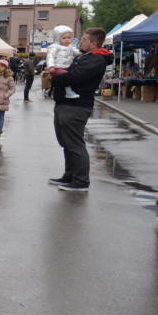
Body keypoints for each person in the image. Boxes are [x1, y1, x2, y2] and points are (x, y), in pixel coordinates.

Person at [49, 27, 112, 192]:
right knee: (67, 143)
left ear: (93, 43)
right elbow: (70, 72)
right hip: (66, 104)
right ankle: (69, 176)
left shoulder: (96, 60)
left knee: (74, 144)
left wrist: (55, 80)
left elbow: (74, 76)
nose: (80, 41)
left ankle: (81, 181)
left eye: (84, 39)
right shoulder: (87, 57)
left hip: (76, 106)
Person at [46, 25, 80, 100]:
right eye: (64, 38)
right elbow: (50, 56)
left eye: (69, 37)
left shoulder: (70, 47)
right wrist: (51, 66)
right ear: (58, 38)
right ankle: (69, 92)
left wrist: (83, 52)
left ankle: (70, 90)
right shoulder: (54, 46)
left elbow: (76, 53)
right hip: (57, 68)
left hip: (67, 67)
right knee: (66, 76)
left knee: (73, 75)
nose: (67, 40)